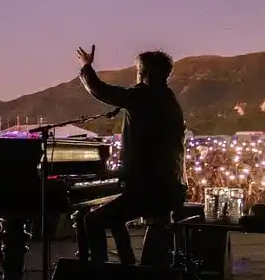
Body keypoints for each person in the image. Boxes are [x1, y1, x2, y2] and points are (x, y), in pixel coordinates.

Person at [75, 45, 186, 264]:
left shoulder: (144, 96)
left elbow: (102, 90)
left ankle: (100, 277)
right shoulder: (169, 99)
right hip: (170, 187)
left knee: (93, 221)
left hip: (150, 189)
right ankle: (128, 268)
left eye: (138, 70)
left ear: (144, 74)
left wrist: (86, 67)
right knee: (116, 219)